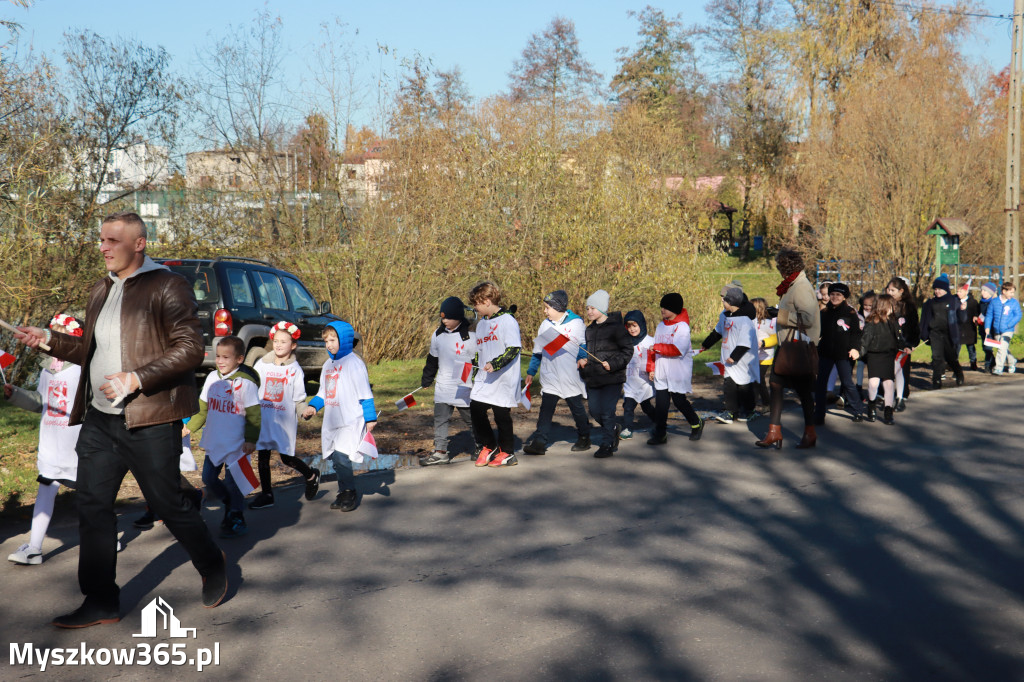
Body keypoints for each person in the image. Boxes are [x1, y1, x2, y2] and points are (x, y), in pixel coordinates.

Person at [15, 211, 228, 628]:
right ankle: (100, 601)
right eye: (102, 240)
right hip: (99, 418)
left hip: (148, 418)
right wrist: (48, 341)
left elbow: (190, 348)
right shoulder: (101, 289)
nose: (103, 247)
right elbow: (88, 351)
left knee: (168, 502)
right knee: (92, 506)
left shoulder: (168, 285)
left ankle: (210, 561)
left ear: (139, 243)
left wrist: (136, 378)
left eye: (112, 240)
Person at [4, 316, 82, 566]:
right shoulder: (48, 369)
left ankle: (105, 536)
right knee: (45, 490)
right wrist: (14, 394)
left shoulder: (85, 369)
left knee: (92, 496)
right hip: (51, 442)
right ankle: (34, 547)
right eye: (53, 334)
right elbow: (41, 403)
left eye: (62, 336)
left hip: (78, 443)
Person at [189, 336, 261, 538]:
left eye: (226, 357)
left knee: (233, 482)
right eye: (218, 356)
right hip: (215, 440)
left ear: (239, 359)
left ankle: (236, 516)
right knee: (208, 478)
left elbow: (254, 415)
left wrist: (250, 440)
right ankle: (230, 502)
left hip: (237, 444)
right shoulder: (212, 378)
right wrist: (190, 427)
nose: (220, 361)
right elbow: (202, 408)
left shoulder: (246, 384)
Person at [303, 321, 377, 510]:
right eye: (326, 341)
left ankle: (349, 493)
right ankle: (343, 491)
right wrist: (313, 407)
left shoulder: (354, 363)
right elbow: (323, 392)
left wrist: (370, 418)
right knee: (336, 459)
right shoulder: (328, 365)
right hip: (333, 420)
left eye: (333, 340)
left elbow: (365, 393)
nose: (329, 344)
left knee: (342, 457)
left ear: (343, 339)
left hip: (350, 419)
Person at [756, 248, 820, 449]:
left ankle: (807, 432)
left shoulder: (800, 286)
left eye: (779, 266)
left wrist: (780, 315)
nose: (777, 269)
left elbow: (808, 319)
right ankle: (775, 431)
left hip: (797, 349)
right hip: (789, 348)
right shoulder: (792, 284)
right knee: (777, 384)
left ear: (786, 267)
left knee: (802, 392)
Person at [250, 321, 320, 507]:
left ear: (293, 345)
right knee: (262, 455)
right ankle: (267, 495)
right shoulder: (262, 365)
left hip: (283, 422)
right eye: (276, 341)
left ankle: (311, 475)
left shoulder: (295, 370)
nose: (279, 345)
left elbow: (298, 399)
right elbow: (251, 387)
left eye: (284, 341)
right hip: (264, 420)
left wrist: (303, 411)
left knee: (286, 457)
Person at [522, 290, 591, 456]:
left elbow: (583, 345)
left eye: (547, 308)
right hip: (550, 374)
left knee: (577, 408)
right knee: (546, 410)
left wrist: (583, 358)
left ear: (558, 307)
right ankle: (540, 441)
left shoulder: (576, 324)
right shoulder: (545, 325)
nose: (545, 311)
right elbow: (538, 351)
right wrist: (531, 370)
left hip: (569, 375)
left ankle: (584, 436)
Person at [466, 281, 522, 468]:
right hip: (485, 377)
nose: (475, 307)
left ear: (487, 301)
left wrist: (496, 363)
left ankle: (507, 452)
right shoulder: (481, 324)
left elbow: (513, 348)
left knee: (501, 414)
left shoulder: (507, 320)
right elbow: (478, 351)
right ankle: (489, 446)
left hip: (503, 377)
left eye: (477, 303)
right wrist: (474, 370)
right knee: (476, 408)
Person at [420, 297, 479, 465]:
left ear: (459, 317)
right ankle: (440, 451)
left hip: (463, 385)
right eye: (443, 317)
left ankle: (481, 445)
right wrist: (427, 378)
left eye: (449, 318)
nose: (445, 320)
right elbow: (432, 360)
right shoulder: (438, 335)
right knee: (440, 419)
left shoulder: (470, 336)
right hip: (443, 386)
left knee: (471, 419)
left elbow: (477, 361)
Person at [577, 290, 633, 458]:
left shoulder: (617, 328)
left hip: (612, 377)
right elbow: (589, 351)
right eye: (587, 308)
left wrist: (613, 364)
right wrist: (584, 361)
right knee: (595, 412)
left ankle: (607, 444)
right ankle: (614, 428)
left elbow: (627, 351)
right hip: (594, 377)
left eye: (593, 308)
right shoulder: (589, 330)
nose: (589, 312)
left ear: (602, 308)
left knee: (607, 412)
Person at [646, 293, 705, 445]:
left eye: (666, 307)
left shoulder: (682, 327)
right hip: (662, 372)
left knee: (679, 401)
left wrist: (657, 347)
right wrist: (651, 368)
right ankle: (660, 434)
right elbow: (653, 350)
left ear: (675, 309)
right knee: (661, 405)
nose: (662, 310)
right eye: (662, 307)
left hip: (678, 371)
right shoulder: (660, 326)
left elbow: (678, 349)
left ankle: (696, 423)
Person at [697, 287, 759, 423]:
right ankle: (730, 412)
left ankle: (749, 411)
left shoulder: (745, 321)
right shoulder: (724, 316)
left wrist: (735, 356)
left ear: (731, 302)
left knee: (744, 386)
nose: (722, 301)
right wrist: (706, 344)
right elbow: (717, 332)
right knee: (729, 385)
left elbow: (745, 342)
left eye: (724, 299)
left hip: (742, 359)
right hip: (728, 358)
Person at [814, 282, 866, 423]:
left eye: (838, 295)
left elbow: (856, 334)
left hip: (844, 354)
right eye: (832, 294)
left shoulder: (850, 313)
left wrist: (855, 348)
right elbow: (818, 332)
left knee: (847, 382)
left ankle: (858, 410)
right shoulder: (824, 313)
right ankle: (819, 414)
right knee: (820, 383)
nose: (835, 297)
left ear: (844, 297)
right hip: (826, 352)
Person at [860, 294, 903, 425]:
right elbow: (865, 340)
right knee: (873, 383)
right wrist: (859, 352)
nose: (894, 308)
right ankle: (871, 406)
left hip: (888, 355)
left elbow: (899, 338)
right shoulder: (871, 322)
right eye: (892, 305)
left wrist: (906, 346)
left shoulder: (893, 321)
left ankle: (888, 411)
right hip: (874, 355)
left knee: (889, 384)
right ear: (884, 306)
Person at [919, 275, 966, 389]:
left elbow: (962, 319)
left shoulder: (953, 301)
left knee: (950, 357)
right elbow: (925, 319)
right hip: (935, 333)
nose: (937, 292)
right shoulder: (930, 303)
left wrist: (963, 311)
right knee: (937, 357)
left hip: (949, 333)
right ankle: (937, 380)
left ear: (946, 290)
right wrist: (924, 333)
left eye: (940, 289)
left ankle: (959, 373)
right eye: (935, 289)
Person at [885, 277, 919, 411]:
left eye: (893, 290)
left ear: (901, 291)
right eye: (888, 289)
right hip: (888, 341)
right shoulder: (886, 303)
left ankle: (902, 395)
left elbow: (914, 327)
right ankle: (885, 393)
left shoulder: (908, 307)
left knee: (902, 369)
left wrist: (911, 344)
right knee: (887, 369)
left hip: (904, 342)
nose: (890, 292)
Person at [620, 310, 656, 439]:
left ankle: (658, 421)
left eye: (634, 325)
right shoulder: (625, 343)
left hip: (645, 382)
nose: (631, 329)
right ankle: (628, 428)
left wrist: (654, 370)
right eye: (628, 326)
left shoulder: (651, 341)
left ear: (641, 324)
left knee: (646, 406)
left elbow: (657, 359)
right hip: (630, 381)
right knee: (628, 406)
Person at [984, 282, 1022, 375]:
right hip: (997, 330)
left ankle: (998, 368)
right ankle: (1012, 361)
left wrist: (1010, 324)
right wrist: (987, 327)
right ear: (1004, 291)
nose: (1012, 295)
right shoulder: (994, 302)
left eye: (1013, 293)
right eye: (1011, 292)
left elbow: (1018, 315)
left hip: (1008, 330)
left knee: (1002, 348)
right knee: (1002, 348)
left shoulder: (1014, 302)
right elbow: (989, 315)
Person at [751, 298, 777, 410]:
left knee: (759, 379)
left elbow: (775, 338)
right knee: (754, 380)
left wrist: (764, 343)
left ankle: (767, 403)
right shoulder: (751, 322)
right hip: (753, 357)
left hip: (765, 357)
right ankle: (752, 403)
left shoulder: (768, 323)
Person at [855, 291, 877, 397]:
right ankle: (858, 386)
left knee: (872, 368)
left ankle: (873, 389)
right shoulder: (859, 315)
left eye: (870, 305)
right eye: (865, 305)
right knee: (860, 365)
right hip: (862, 344)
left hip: (873, 346)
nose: (867, 307)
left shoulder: (877, 315)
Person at [956, 282, 980, 372]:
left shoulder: (973, 302)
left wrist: (976, 316)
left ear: (966, 292)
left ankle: (973, 362)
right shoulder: (955, 301)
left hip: (969, 328)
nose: (958, 293)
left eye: (960, 291)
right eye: (957, 291)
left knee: (971, 347)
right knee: (956, 347)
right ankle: (954, 363)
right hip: (958, 328)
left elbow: (977, 312)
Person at [977, 282, 998, 372]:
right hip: (982, 327)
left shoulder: (994, 302)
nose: (983, 292)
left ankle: (988, 364)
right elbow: (980, 312)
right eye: (982, 290)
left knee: (988, 346)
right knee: (984, 347)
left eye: (985, 291)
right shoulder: (981, 302)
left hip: (991, 327)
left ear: (990, 293)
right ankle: (992, 361)